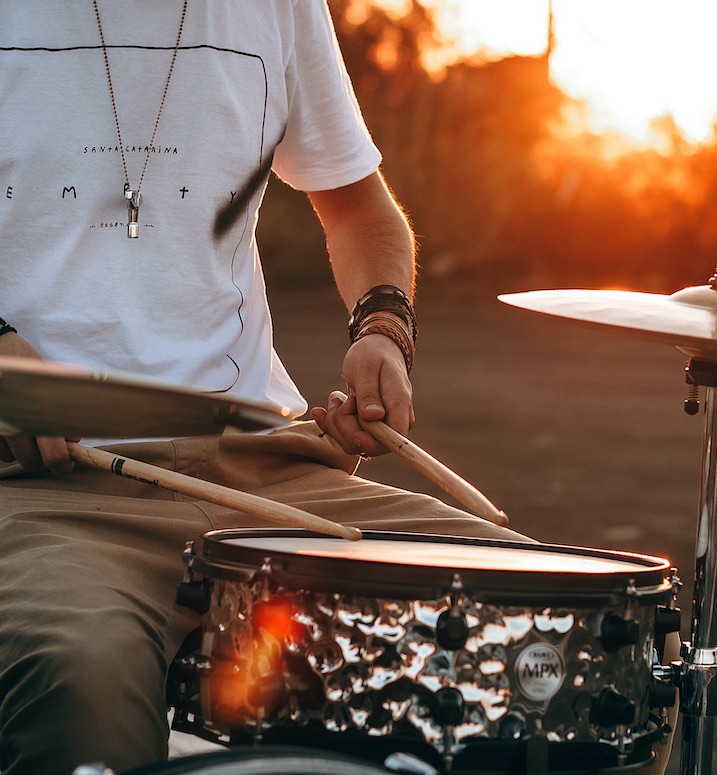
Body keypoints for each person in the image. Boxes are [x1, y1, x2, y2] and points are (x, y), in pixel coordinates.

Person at [0, 3, 675, 775]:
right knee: (80, 678)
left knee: (594, 644)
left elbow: (358, 207)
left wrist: (382, 328)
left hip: (264, 461)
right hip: (49, 477)